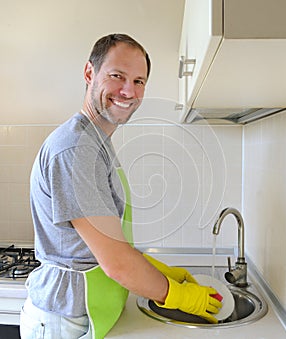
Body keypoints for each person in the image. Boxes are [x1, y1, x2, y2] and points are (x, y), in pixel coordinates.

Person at [20, 33, 222, 339]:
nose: (129, 91)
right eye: (118, 76)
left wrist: (162, 273)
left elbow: (110, 243)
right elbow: (116, 263)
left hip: (84, 313)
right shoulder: (76, 150)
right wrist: (180, 296)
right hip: (65, 320)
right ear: (90, 73)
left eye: (139, 81)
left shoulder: (95, 142)